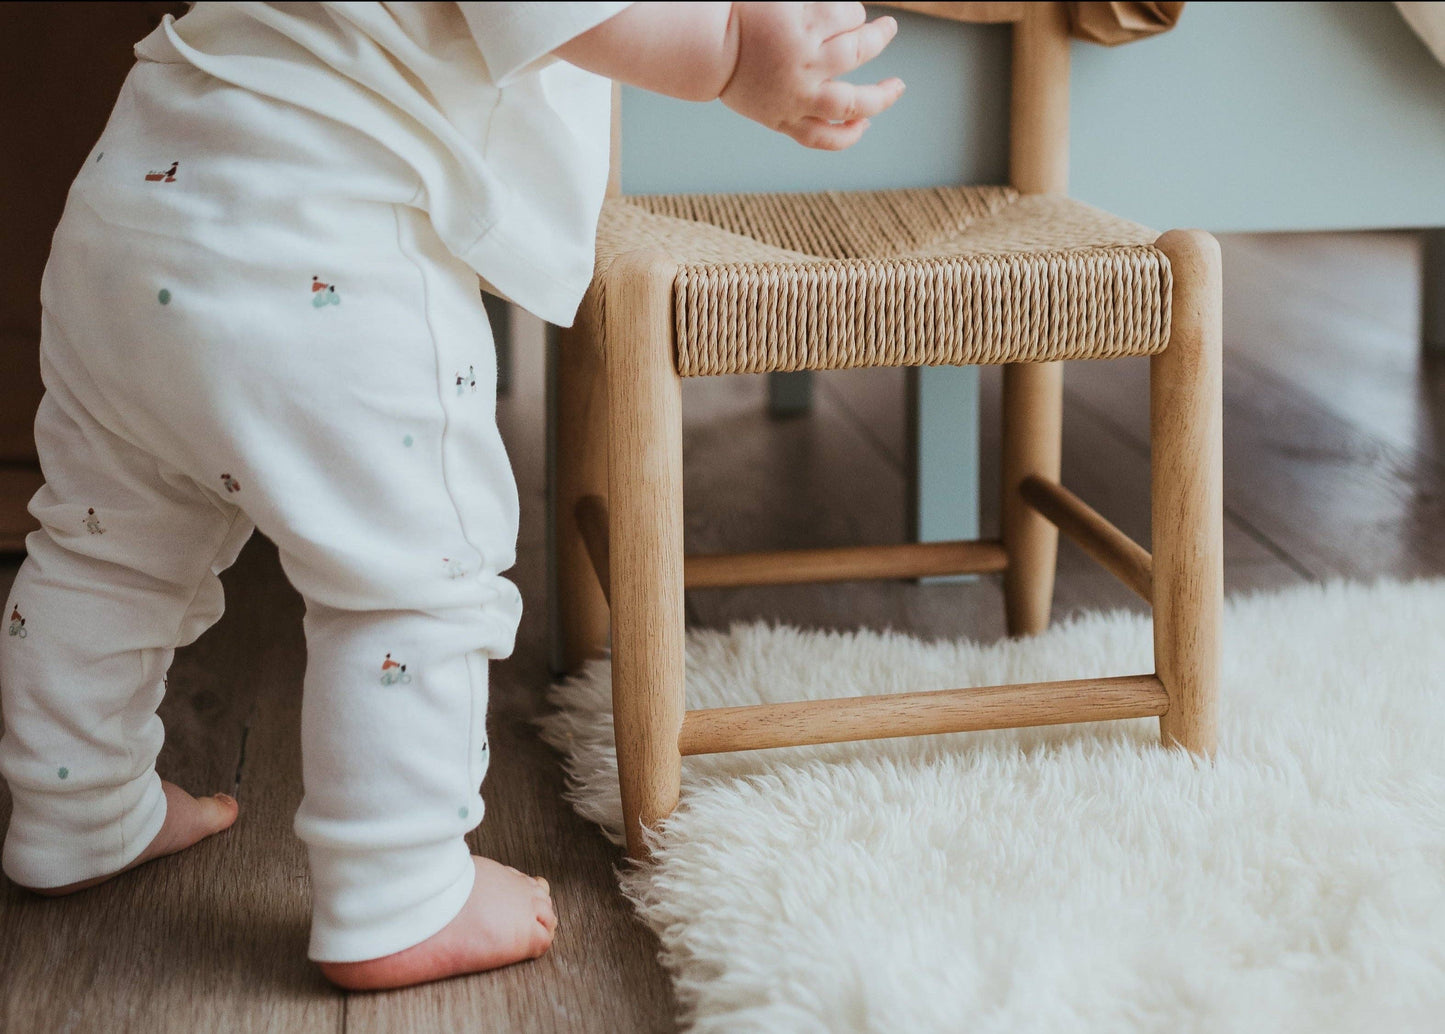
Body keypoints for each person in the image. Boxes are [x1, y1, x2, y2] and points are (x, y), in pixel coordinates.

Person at [0, 1, 903, 990]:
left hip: (127, 211)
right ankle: (398, 888)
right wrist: (730, 54)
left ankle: (74, 808)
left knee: (102, 545)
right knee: (411, 582)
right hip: (316, 245)